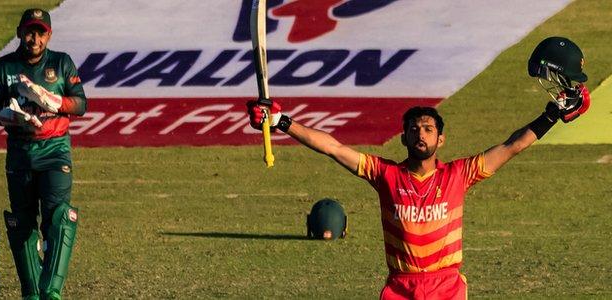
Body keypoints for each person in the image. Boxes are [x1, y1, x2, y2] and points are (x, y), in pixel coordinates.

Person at [246, 36, 589, 299]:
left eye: (428, 129)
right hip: (400, 287)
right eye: (413, 129)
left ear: (441, 139)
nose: (420, 134)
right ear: (403, 138)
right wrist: (282, 121)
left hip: (447, 287)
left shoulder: (459, 174)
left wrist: (551, 116)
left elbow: (512, 145)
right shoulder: (385, 175)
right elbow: (334, 148)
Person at [0, 8, 87, 300]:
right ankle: (31, 293)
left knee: (59, 219)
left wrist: (56, 102)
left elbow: (81, 104)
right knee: (22, 223)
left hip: (55, 149)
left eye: (40, 32)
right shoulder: (3, 67)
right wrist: (7, 116)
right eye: (29, 32)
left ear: (49, 35)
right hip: (19, 152)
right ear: (19, 33)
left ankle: (51, 291)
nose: (34, 38)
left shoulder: (62, 63)